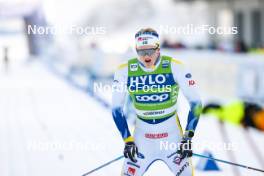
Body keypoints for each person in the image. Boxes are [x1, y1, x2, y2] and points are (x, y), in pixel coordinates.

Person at [112, 28, 202, 176]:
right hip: (142, 140)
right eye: (141, 52)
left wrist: (187, 136)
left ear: (158, 49)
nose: (146, 56)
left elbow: (196, 103)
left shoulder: (175, 66)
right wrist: (127, 140)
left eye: (150, 51)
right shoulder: (124, 70)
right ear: (136, 50)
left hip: (172, 139)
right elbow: (116, 109)